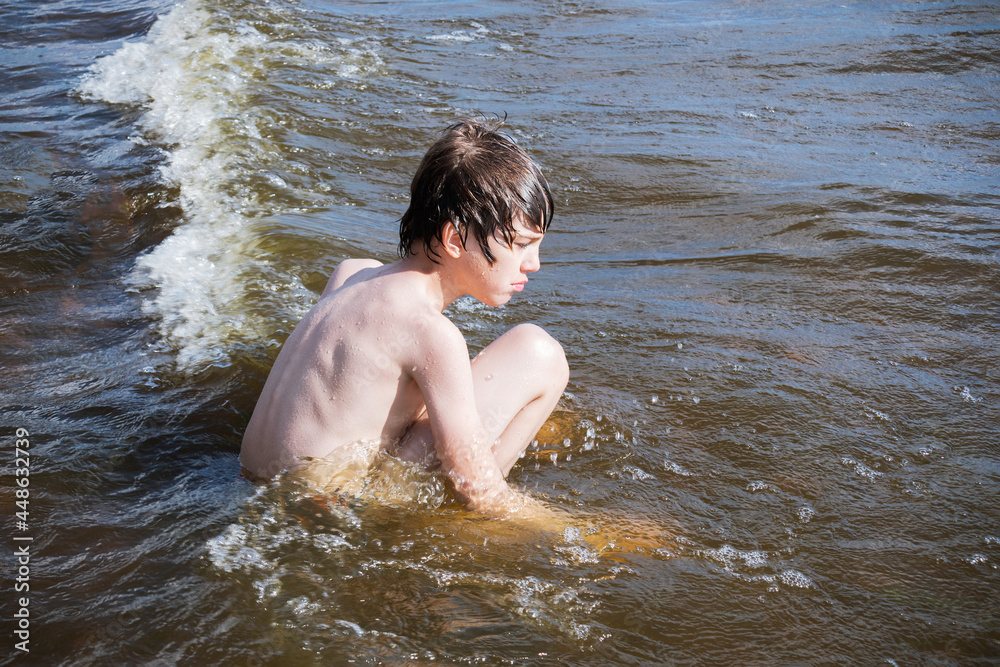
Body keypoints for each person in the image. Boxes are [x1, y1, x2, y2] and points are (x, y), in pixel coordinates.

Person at [240, 117, 569, 518]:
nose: (533, 264)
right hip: (330, 512)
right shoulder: (431, 335)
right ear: (453, 238)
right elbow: (477, 488)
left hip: (250, 482)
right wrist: (579, 530)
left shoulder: (351, 276)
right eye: (521, 245)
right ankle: (457, 525)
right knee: (539, 355)